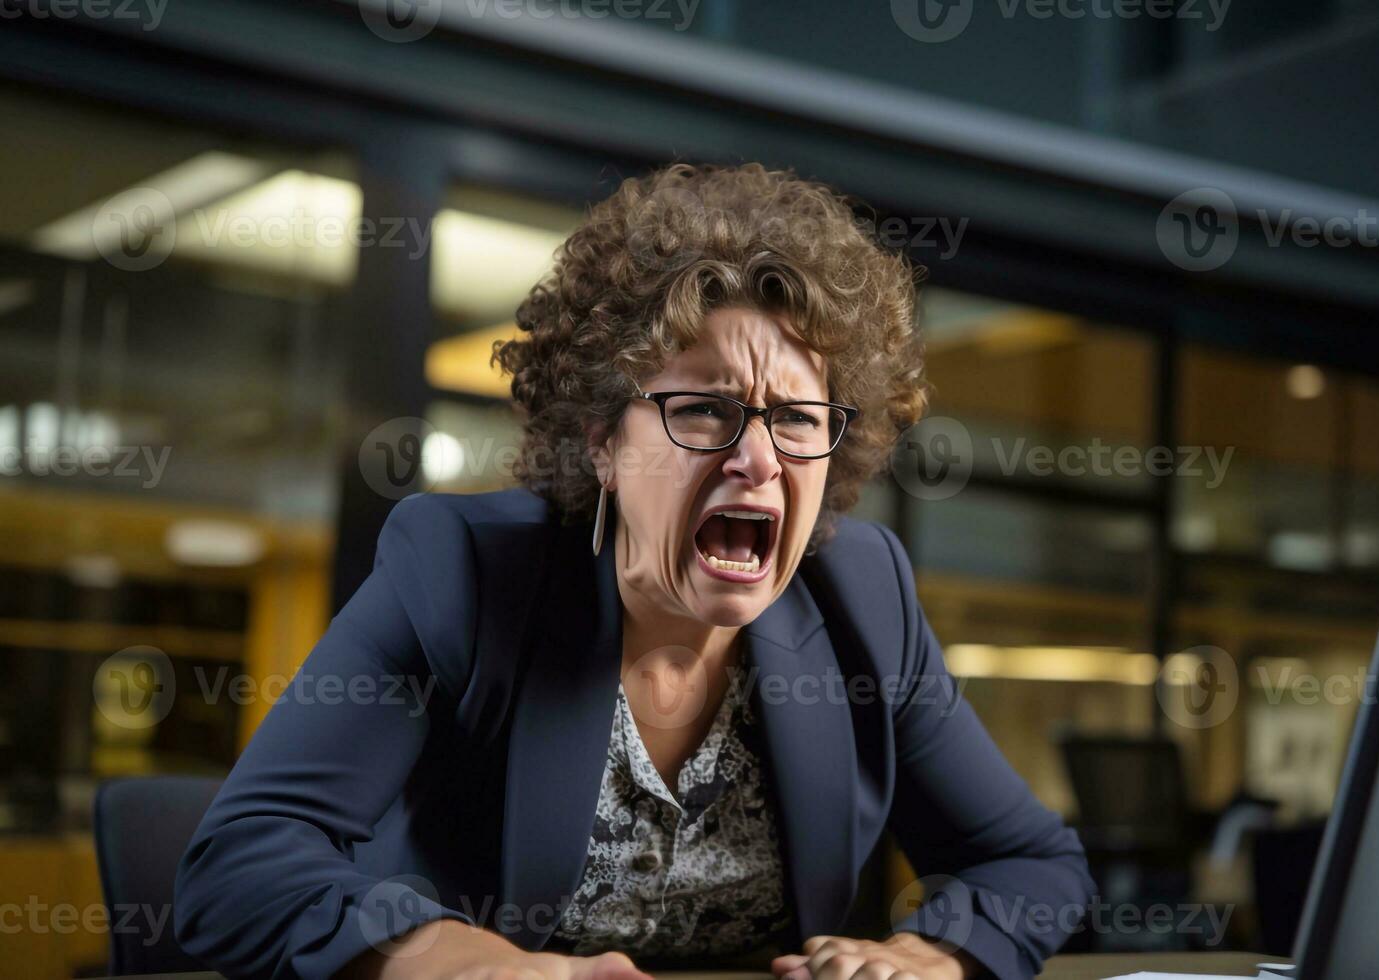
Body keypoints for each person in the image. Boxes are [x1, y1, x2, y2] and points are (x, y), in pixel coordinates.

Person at [174, 162, 1094, 980]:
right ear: (602, 440)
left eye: (798, 420)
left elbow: (1035, 864)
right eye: (704, 412)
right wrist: (469, 964)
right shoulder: (462, 574)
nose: (759, 460)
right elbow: (239, 866)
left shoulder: (864, 599)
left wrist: (928, 954)